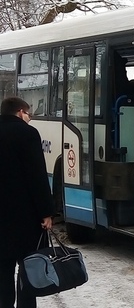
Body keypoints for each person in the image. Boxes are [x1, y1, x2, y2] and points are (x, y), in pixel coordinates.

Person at [0, 97, 55, 308]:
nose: (29, 118)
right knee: (26, 266)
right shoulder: (27, 134)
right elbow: (37, 176)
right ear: (20, 112)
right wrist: (46, 211)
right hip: (24, 217)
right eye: (29, 114)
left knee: (2, 269)